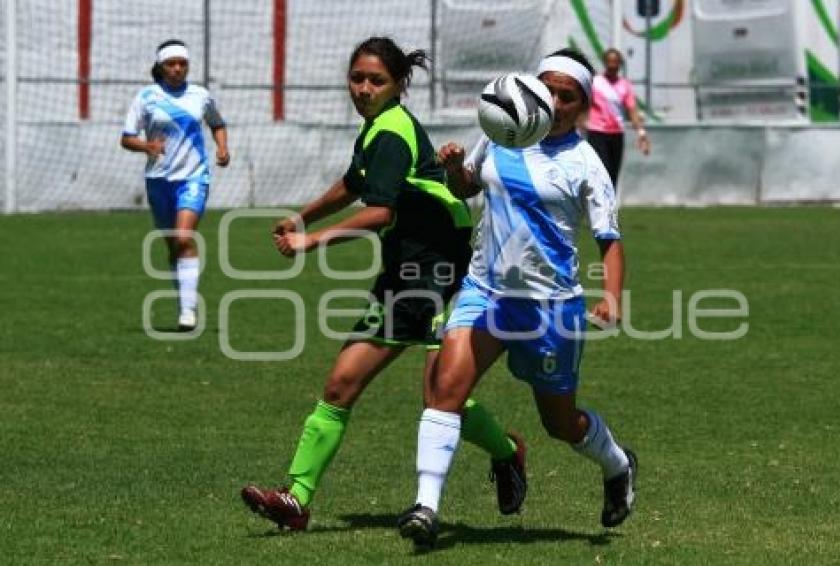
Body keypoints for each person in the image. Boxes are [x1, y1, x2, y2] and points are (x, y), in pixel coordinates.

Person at [240, 36, 526, 532]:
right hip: (405, 268)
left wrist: (312, 241)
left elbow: (380, 210)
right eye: (357, 78)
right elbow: (355, 183)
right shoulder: (377, 129)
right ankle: (296, 499)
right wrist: (302, 215)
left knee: (426, 392)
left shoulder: (391, 132)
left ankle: (506, 453)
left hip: (437, 269)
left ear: (398, 86)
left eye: (377, 80)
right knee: (366, 385)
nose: (364, 88)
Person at [398, 48, 637, 549]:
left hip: (550, 308)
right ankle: (426, 507)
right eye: (547, 88)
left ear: (584, 106)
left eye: (566, 95)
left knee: (561, 424)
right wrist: (457, 168)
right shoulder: (501, 131)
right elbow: (466, 187)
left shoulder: (585, 163)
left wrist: (611, 298)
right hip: (484, 293)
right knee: (446, 390)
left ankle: (617, 463)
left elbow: (609, 242)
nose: (554, 100)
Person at [121, 39, 230, 331]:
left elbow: (217, 123)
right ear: (161, 66)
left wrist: (222, 148)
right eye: (172, 64)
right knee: (173, 245)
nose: (178, 69)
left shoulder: (200, 96)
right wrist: (147, 146)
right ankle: (183, 302)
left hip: (194, 177)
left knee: (183, 238)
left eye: (183, 63)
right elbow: (127, 137)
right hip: (158, 181)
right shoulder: (146, 97)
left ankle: (189, 311)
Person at [585, 47, 650, 190]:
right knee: (602, 170)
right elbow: (583, 106)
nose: (612, 65)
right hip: (597, 133)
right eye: (609, 61)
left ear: (620, 64)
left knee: (613, 174)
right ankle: (596, 206)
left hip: (616, 133)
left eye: (615, 62)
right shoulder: (595, 82)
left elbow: (632, 110)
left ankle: (609, 209)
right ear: (605, 63)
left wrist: (641, 133)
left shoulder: (624, 85)